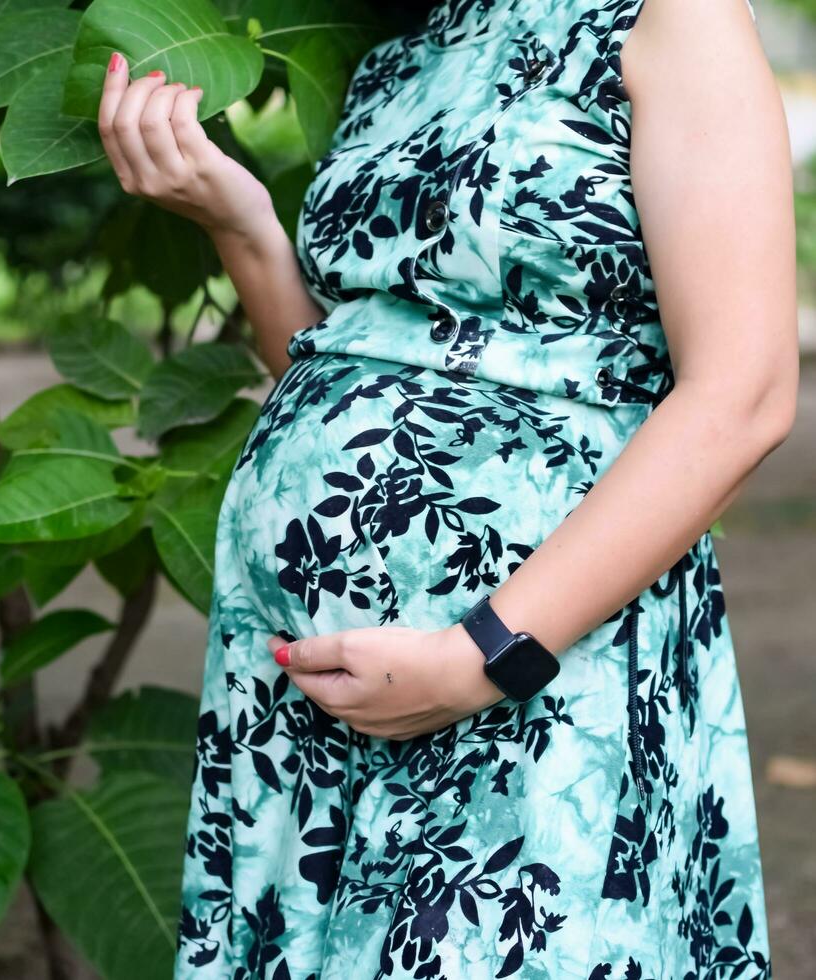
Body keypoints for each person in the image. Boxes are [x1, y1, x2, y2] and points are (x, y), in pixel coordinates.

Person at [98, 0, 797, 976]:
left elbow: (743, 391)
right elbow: (342, 354)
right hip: (311, 704)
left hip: (534, 656)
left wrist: (481, 655)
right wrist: (244, 226)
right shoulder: (400, 56)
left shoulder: (665, 17)